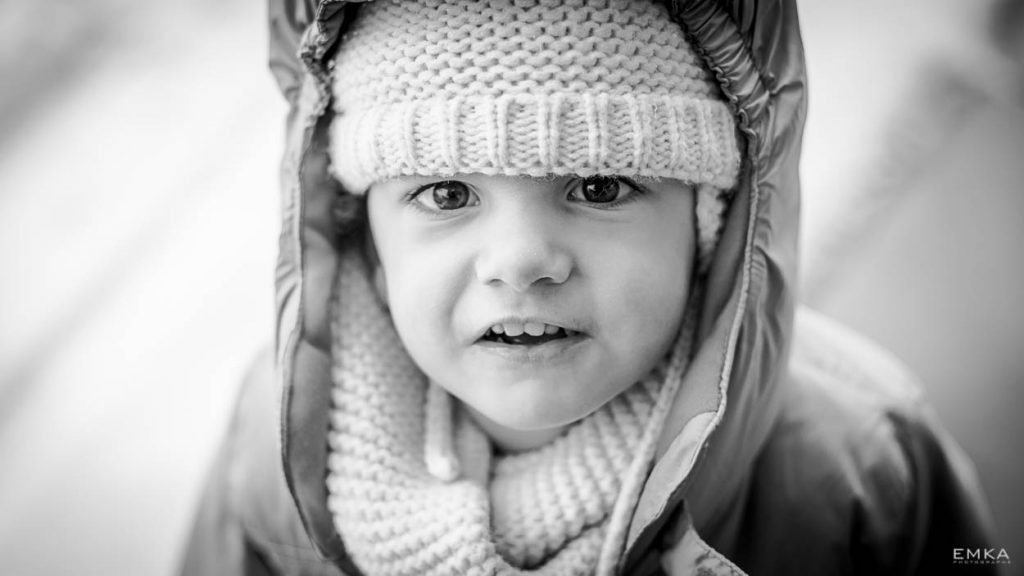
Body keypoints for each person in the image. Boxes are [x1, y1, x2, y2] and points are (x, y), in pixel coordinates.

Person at [180, 0, 998, 574]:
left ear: (709, 218)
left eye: (600, 186)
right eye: (445, 193)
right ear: (369, 232)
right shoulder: (282, 444)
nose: (521, 260)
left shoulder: (861, 462)